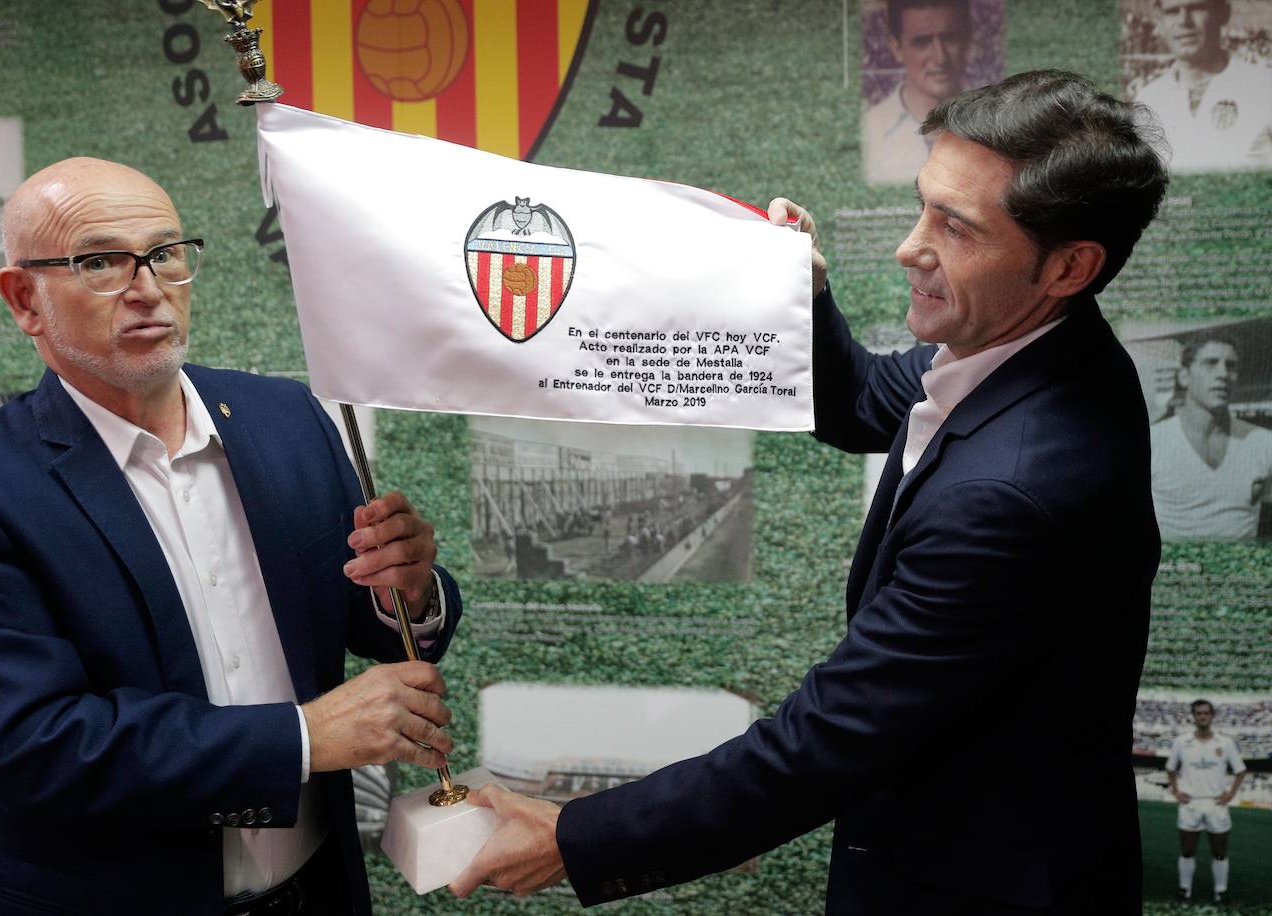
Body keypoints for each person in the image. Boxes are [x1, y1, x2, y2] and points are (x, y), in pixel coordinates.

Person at [450, 69, 1168, 914]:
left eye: (956, 226)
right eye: (922, 205)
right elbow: (865, 401)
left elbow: (825, 741)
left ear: (1069, 265)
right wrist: (809, 291)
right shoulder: (1032, 348)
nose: (911, 246)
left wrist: (574, 837)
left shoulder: (1017, 489)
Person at [0, 157, 464, 915]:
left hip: (315, 892)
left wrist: (413, 592)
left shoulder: (288, 419)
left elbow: (371, 620)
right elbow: (31, 747)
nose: (147, 287)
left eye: (165, 253)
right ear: (24, 299)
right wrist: (301, 738)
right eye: (101, 262)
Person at [1151, 337, 1272, 540]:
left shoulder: (1263, 443)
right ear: (1184, 377)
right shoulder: (1151, 442)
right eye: (1210, 363)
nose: (1223, 374)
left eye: (1231, 366)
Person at [1132, 0, 1272, 172]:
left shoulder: (1265, 87)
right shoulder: (1148, 99)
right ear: (1160, 20)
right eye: (1172, 11)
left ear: (1223, 13)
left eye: (1196, 8)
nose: (1184, 21)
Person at [862, 0, 973, 184]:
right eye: (922, 42)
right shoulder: (870, 130)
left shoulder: (997, 124)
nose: (940, 57)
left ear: (968, 41)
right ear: (896, 48)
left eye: (950, 38)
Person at [1166, 700, 1246, 904]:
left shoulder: (1225, 743)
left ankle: (1221, 891)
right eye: (1198, 713)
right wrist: (1176, 791)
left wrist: (1230, 794)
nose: (1202, 716)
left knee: (1219, 852)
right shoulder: (1181, 742)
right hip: (1190, 804)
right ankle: (1185, 890)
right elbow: (1170, 768)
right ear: (1193, 717)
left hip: (1216, 804)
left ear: (1212, 716)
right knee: (1187, 850)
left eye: (1206, 713)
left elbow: (1240, 770)